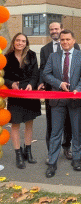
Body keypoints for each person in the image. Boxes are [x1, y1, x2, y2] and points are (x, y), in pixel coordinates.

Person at [43, 30, 81, 178]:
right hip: (58, 99)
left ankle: (77, 158)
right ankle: (52, 162)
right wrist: (59, 83)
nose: (65, 42)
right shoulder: (53, 56)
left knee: (76, 131)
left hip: (75, 98)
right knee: (56, 132)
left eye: (68, 39)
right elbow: (46, 74)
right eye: (62, 40)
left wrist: (78, 89)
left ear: (74, 40)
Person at [39, 22, 80, 160]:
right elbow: (43, 70)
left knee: (69, 124)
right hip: (53, 94)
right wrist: (41, 83)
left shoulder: (75, 47)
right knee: (52, 126)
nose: (54, 31)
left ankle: (66, 148)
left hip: (71, 94)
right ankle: (51, 153)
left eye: (56, 28)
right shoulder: (45, 49)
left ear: (61, 29)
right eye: (51, 29)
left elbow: (78, 67)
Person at [4, 33, 41, 169]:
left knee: (29, 123)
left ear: (26, 43)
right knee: (15, 124)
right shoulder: (6, 57)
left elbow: (35, 73)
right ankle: (18, 154)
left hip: (29, 92)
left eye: (23, 41)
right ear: (14, 42)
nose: (20, 43)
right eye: (18, 40)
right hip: (15, 94)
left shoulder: (31, 55)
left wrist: (32, 83)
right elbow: (3, 76)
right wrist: (11, 83)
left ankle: (28, 152)